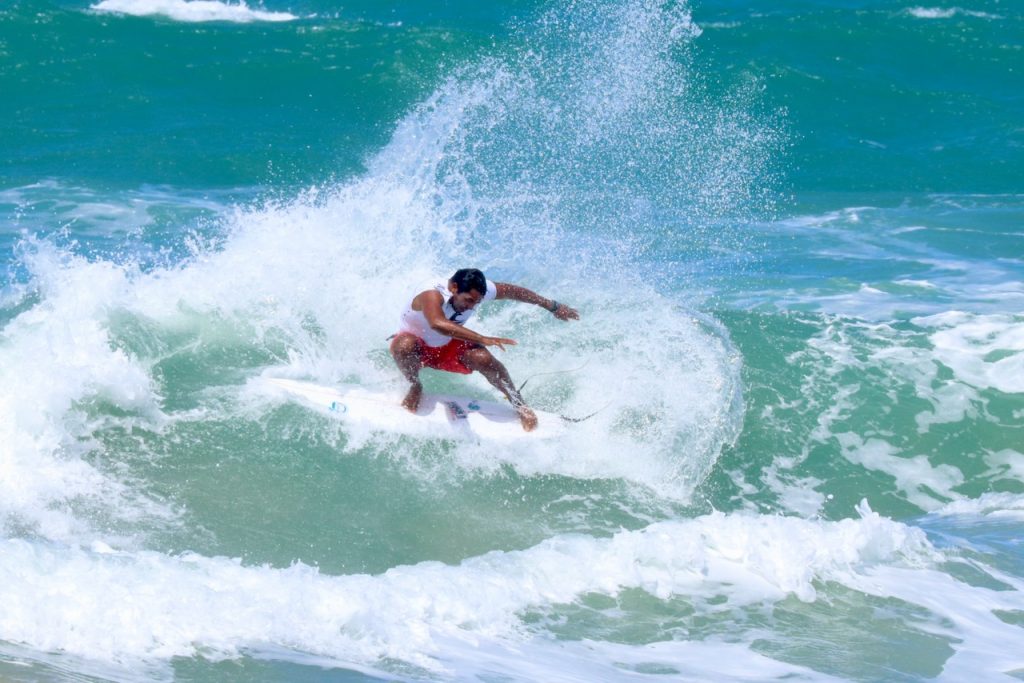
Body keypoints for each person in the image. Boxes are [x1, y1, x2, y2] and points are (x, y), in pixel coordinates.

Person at [390, 268, 579, 431]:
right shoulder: (431, 293)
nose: (471, 306)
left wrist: (552, 306)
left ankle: (518, 403)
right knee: (403, 345)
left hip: (447, 345)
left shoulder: (478, 290)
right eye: (468, 300)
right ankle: (415, 385)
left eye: (476, 302)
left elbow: (514, 292)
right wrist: (481, 338)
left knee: (484, 358)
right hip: (417, 348)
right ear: (454, 288)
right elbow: (437, 323)